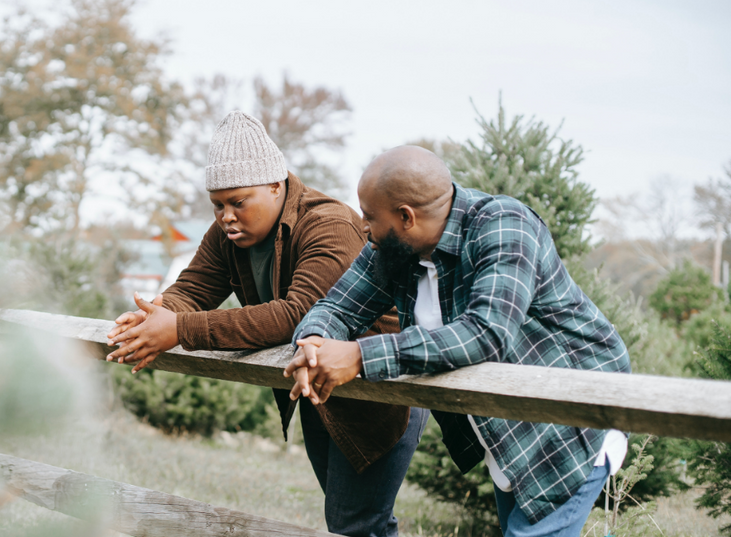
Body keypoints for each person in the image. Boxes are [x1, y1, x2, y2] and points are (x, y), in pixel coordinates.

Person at [106, 111, 428, 537]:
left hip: (379, 391)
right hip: (319, 389)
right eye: (217, 205)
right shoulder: (228, 233)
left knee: (354, 525)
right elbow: (194, 288)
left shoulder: (328, 224)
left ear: (276, 185)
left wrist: (180, 330)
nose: (226, 216)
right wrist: (156, 315)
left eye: (238, 201)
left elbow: (297, 315)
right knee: (361, 523)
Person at [285, 145, 631, 536]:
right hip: (507, 431)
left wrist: (361, 356)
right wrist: (313, 343)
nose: (363, 227)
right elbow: (338, 307)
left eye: (369, 217)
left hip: (571, 420)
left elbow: (485, 334)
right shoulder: (394, 250)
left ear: (406, 217)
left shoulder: (504, 225)